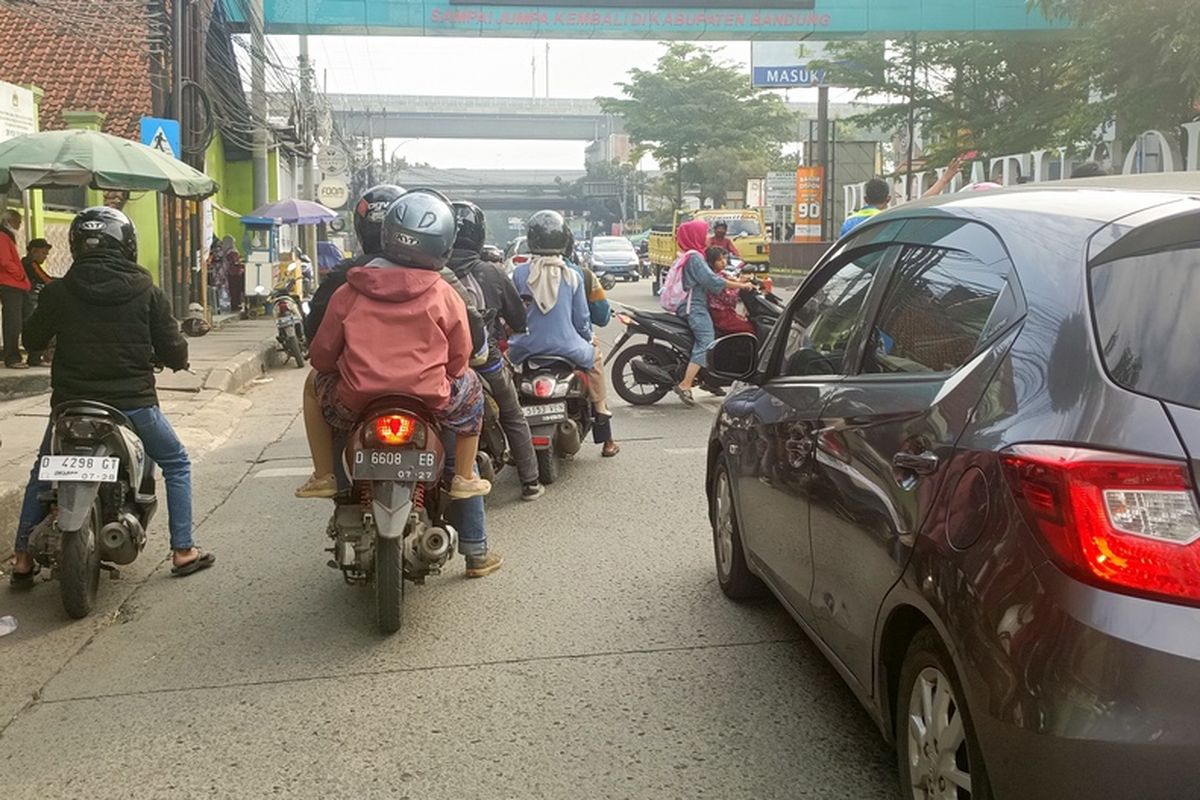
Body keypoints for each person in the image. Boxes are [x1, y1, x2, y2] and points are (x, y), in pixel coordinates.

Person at [9, 207, 214, 586]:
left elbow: (31, 340)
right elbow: (174, 350)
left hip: (70, 405)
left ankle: (21, 556)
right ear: (127, 245)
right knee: (176, 461)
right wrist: (173, 359)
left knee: (42, 471)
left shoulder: (58, 291)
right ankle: (183, 549)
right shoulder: (146, 290)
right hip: (132, 402)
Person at [297, 185, 487, 499]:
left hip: (355, 400)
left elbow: (322, 357)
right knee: (473, 387)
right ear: (443, 244)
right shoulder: (445, 293)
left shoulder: (349, 289)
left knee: (311, 383)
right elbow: (459, 359)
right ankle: (464, 477)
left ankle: (323, 474)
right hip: (430, 399)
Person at [449, 200, 545, 501]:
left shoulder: (429, 272)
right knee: (512, 413)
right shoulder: (491, 272)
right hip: (486, 360)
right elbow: (518, 319)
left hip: (441, 362)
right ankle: (530, 482)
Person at [508, 211, 620, 458]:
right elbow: (582, 320)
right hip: (568, 347)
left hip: (524, 349)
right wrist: (586, 338)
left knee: (504, 378)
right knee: (596, 359)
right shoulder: (575, 275)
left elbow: (512, 316)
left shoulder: (518, 274)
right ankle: (603, 420)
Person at [671, 219, 753, 407]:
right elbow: (712, 281)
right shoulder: (694, 258)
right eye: (703, 233)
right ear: (695, 236)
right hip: (695, 307)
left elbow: (717, 276)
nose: (707, 237)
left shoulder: (692, 255)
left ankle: (708, 379)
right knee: (705, 341)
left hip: (694, 304)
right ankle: (685, 384)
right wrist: (741, 285)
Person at [563, 229, 619, 457]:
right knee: (596, 372)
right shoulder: (582, 275)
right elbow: (601, 316)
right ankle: (606, 438)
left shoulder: (522, 273)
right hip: (576, 345)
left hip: (530, 348)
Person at [0, 209, 32, 370]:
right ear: (9, 221)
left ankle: (34, 354)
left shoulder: (7, 237)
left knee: (27, 318)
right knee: (13, 322)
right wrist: (19, 274)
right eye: (18, 222)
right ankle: (12, 357)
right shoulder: (2, 237)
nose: (19, 226)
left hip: (17, 284)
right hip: (10, 283)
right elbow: (5, 261)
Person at [705, 247, 755, 337]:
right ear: (711, 263)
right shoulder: (714, 279)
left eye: (724, 258)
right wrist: (740, 288)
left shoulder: (722, 274)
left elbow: (733, 281)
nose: (723, 262)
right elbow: (729, 298)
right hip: (721, 315)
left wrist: (742, 281)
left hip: (728, 313)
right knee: (748, 329)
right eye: (719, 260)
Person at [20, 237, 52, 367]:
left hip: (27, 299)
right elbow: (45, 279)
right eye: (43, 253)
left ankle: (35, 357)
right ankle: (35, 357)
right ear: (33, 251)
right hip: (30, 300)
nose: (45, 257)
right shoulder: (31, 264)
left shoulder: (26, 263)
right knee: (36, 326)